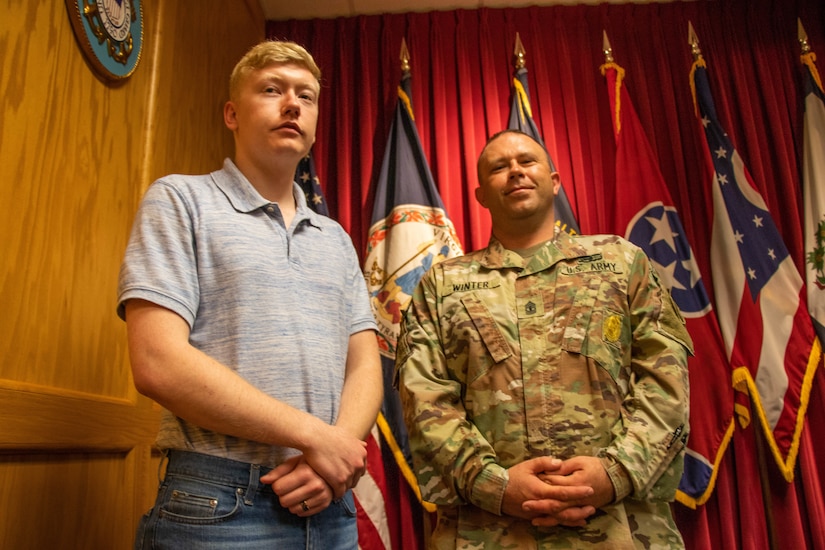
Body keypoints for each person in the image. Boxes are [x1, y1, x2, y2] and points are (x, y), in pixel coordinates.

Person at [117, 40, 383, 549]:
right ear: (232, 114)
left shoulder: (337, 239)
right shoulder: (181, 200)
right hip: (218, 506)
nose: (292, 104)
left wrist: (336, 454)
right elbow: (156, 361)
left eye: (306, 96)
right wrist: (316, 438)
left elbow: (364, 365)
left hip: (330, 503)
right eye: (272, 89)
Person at [395, 129, 692, 549]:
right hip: (489, 532)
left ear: (554, 181)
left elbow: (667, 381)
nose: (515, 170)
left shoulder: (621, 262)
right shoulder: (442, 284)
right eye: (499, 167)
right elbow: (423, 398)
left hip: (621, 528)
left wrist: (618, 472)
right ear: (481, 195)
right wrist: (492, 484)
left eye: (526, 161)